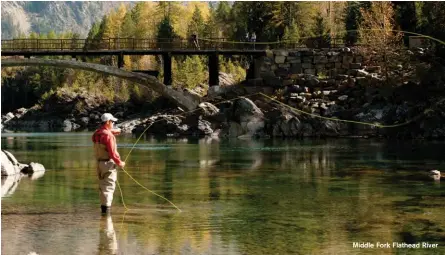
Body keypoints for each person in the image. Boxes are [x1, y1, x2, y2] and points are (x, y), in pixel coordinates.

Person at [92, 113, 125, 214]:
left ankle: (103, 211)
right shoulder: (109, 136)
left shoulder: (96, 133)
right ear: (107, 122)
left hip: (99, 164)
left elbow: (102, 136)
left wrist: (112, 132)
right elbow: (112, 153)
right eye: (113, 122)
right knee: (109, 188)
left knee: (103, 187)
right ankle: (106, 214)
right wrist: (120, 163)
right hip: (108, 164)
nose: (114, 123)